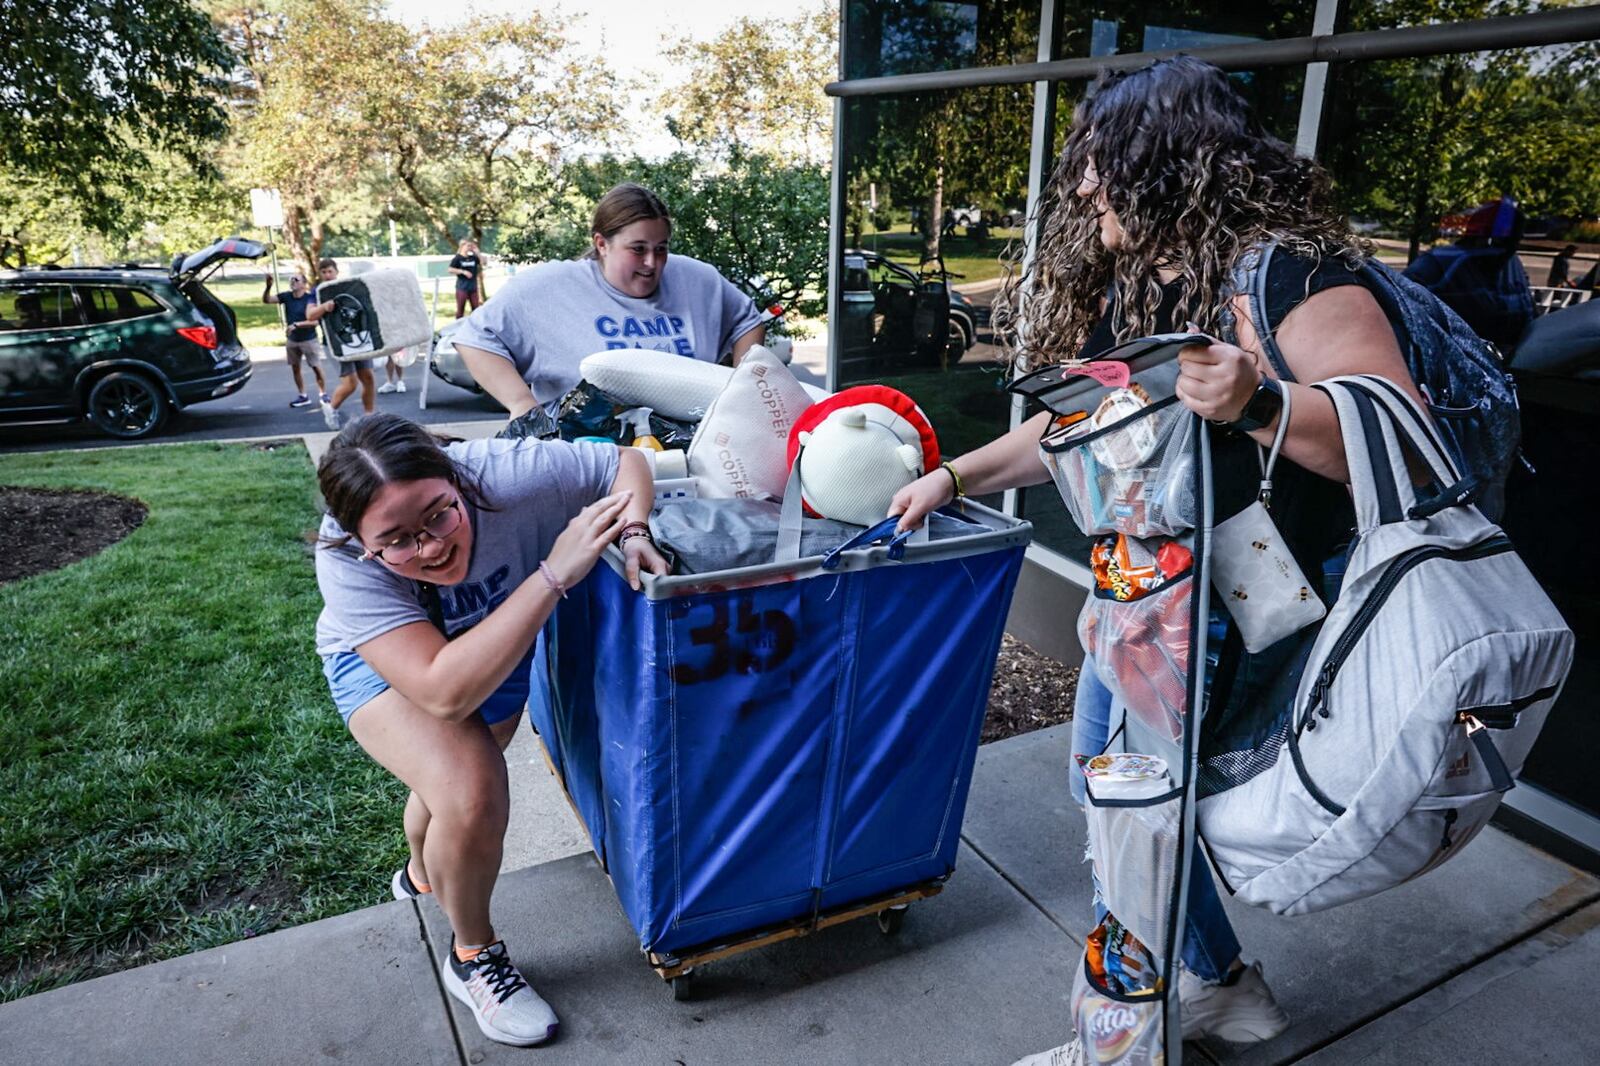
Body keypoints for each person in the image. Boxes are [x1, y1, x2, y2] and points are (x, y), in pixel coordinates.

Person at [889, 56, 1436, 1063]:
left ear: (1161, 158)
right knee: (1124, 802)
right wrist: (952, 477)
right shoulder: (1147, 286)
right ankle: (1222, 987)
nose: (1085, 185)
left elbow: (1395, 433)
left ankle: (1125, 1045)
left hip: (1230, 600)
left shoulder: (1289, 272)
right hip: (1142, 599)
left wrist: (1260, 399)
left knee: (1131, 812)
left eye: (1099, 161)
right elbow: (1079, 434)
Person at [313, 413, 668, 1046]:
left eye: (439, 516)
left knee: (448, 787)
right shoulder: (344, 561)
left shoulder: (508, 473)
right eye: (396, 541)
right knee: (474, 789)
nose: (429, 547)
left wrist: (634, 527)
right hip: (394, 664)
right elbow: (443, 693)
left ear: (457, 480)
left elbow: (623, 462)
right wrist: (555, 574)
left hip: (496, 635)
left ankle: (422, 878)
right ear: (359, 539)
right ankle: (473, 956)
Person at [453, 183, 766, 424]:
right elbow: (475, 338)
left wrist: (740, 395)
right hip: (587, 456)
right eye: (637, 248)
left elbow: (747, 321)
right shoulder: (548, 288)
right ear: (601, 244)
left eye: (661, 249)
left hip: (693, 453)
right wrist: (521, 403)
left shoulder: (698, 280)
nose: (652, 263)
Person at [1402, 197, 1533, 350]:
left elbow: (1529, 313)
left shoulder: (1513, 264)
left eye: (1515, 241)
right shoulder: (1438, 263)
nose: (1508, 251)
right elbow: (1399, 306)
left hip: (1512, 360)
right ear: (1484, 239)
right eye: (1504, 243)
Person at [301, 258, 377, 429]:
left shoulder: (348, 286)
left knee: (368, 378)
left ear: (336, 272)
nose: (327, 275)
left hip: (358, 339)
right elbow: (310, 315)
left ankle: (369, 416)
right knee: (350, 383)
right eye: (323, 272)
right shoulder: (318, 292)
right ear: (319, 274)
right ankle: (331, 409)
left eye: (330, 271)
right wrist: (324, 308)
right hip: (336, 342)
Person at [262, 271, 330, 408]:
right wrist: (268, 286)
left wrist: (296, 325)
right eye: (291, 280)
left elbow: (315, 322)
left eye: (296, 280)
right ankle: (303, 396)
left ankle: (323, 394)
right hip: (292, 340)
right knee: (295, 368)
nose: (292, 282)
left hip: (309, 339)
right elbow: (267, 300)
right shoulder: (286, 296)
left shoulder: (310, 299)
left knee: (316, 367)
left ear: (304, 284)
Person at [449, 238, 485, 318]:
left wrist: (478, 252)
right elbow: (450, 269)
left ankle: (474, 327)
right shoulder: (457, 258)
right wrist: (463, 272)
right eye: (468, 246)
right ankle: (457, 327)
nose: (470, 247)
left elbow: (483, 262)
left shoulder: (473, 258)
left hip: (473, 287)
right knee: (460, 310)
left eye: (471, 246)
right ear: (462, 246)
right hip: (462, 288)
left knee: (476, 309)